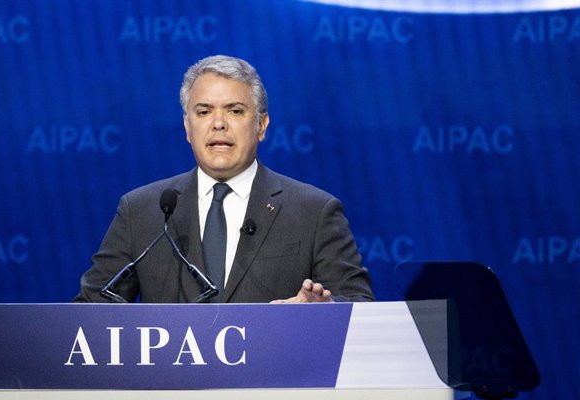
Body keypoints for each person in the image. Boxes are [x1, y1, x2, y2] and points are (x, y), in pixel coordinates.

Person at [74, 55, 374, 304]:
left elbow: (361, 305)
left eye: (235, 110)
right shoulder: (141, 211)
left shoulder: (314, 211)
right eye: (203, 112)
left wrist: (328, 310)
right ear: (187, 128)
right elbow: (88, 313)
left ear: (262, 125)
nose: (218, 124)